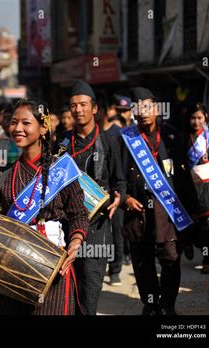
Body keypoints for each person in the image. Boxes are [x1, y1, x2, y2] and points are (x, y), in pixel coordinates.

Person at [0, 98, 89, 315]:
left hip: (52, 267)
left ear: (43, 127)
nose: (17, 128)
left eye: (26, 123)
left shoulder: (60, 170)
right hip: (11, 268)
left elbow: (78, 214)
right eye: (13, 122)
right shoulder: (4, 174)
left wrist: (75, 244)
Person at [120, 87, 191, 315]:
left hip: (168, 215)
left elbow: (184, 179)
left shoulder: (173, 137)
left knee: (171, 260)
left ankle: (167, 305)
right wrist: (125, 198)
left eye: (147, 107)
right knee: (142, 264)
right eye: (137, 108)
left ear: (157, 109)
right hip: (138, 214)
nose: (143, 112)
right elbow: (116, 177)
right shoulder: (125, 140)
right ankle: (150, 304)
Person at [58, 80, 126, 314]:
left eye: (83, 105)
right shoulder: (63, 141)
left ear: (95, 109)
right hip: (67, 224)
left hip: (97, 225)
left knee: (90, 287)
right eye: (73, 105)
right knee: (66, 286)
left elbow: (120, 179)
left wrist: (120, 197)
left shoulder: (109, 141)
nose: (77, 110)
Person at [182, 103, 209, 274]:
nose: (196, 121)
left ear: (205, 117)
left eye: (199, 118)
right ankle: (189, 243)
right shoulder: (183, 139)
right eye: (193, 118)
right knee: (194, 225)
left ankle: (208, 261)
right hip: (191, 188)